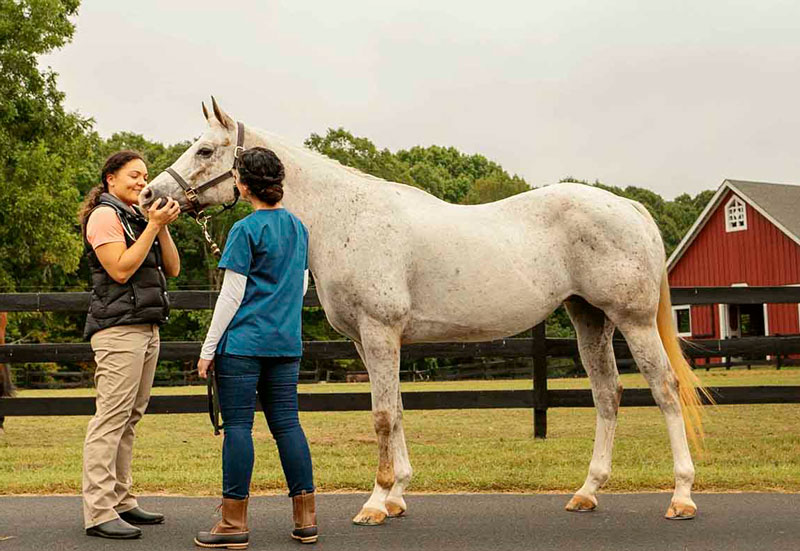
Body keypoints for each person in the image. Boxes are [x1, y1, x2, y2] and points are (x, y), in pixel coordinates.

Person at [194, 147, 316, 549]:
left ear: (243, 186)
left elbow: (231, 296)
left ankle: (233, 523)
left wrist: (208, 349)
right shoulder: (299, 228)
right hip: (285, 344)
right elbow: (299, 286)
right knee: (288, 425)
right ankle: (305, 518)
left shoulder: (245, 230)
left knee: (239, 428)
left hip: (244, 346)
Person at [79, 150, 181, 539]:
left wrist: (162, 224)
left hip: (147, 327)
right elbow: (120, 270)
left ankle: (121, 500)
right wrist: (152, 227)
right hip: (118, 330)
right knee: (110, 420)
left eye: (145, 176)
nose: (142, 182)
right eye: (134, 175)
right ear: (111, 179)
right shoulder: (104, 215)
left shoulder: (137, 216)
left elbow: (172, 268)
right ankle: (99, 510)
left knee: (130, 418)